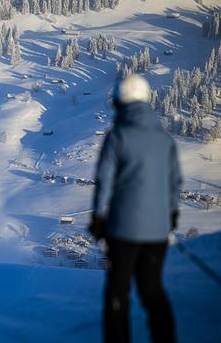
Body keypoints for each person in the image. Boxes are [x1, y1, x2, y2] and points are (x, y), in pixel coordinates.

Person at [89, 75, 182, 343]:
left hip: (123, 231)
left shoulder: (117, 136)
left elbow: (104, 181)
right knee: (152, 290)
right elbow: (174, 183)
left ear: (120, 103)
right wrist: (171, 214)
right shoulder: (165, 140)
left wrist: (97, 217)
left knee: (118, 293)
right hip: (157, 232)